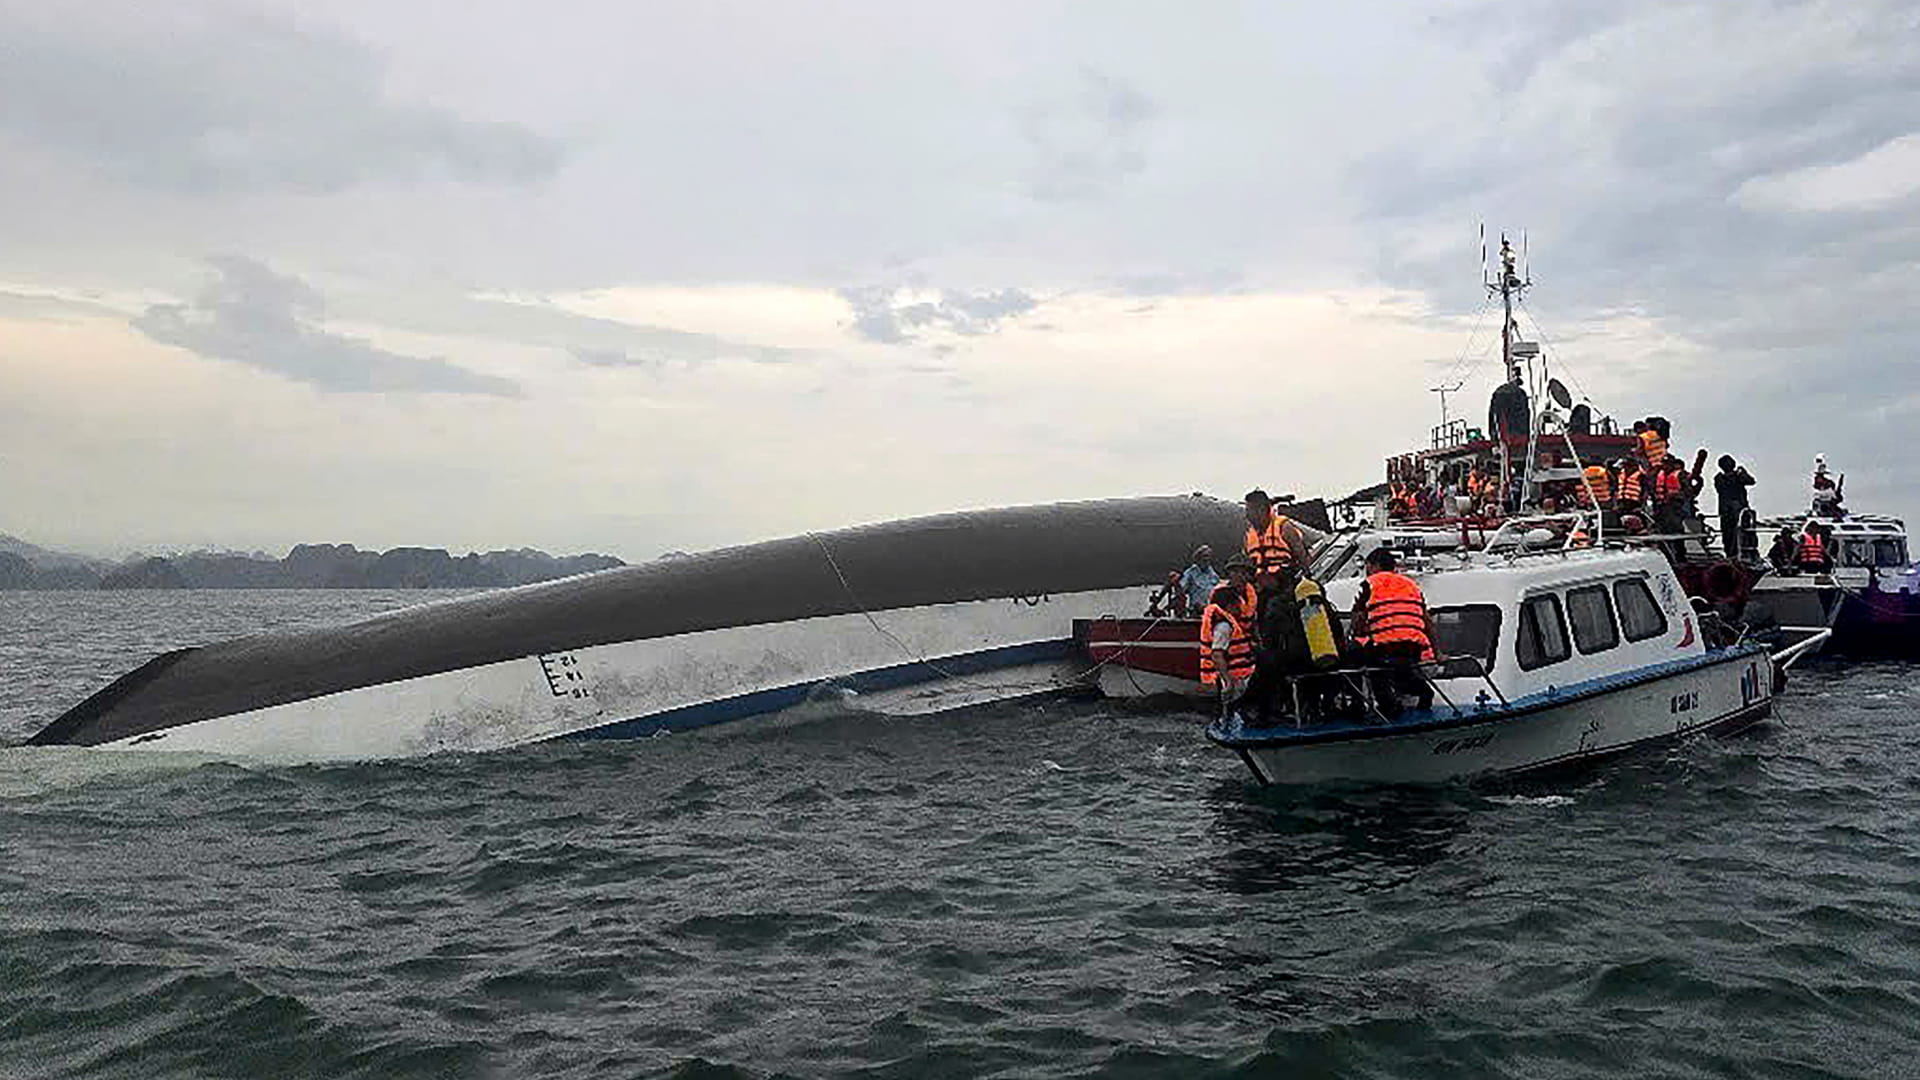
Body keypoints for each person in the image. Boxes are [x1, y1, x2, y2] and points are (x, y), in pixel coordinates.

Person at [1349, 548, 1434, 718]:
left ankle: (1362, 705)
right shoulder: (1411, 585)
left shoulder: (1369, 584)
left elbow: (1357, 621)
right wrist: (1437, 652)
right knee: (1401, 670)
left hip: (1385, 647)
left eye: (1368, 566)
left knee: (1356, 658)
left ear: (1374, 566)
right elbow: (1427, 621)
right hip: (1413, 647)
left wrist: (1361, 631)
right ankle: (1424, 693)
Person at [1199, 560, 1259, 712]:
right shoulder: (1222, 602)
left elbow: (1253, 621)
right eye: (1237, 572)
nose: (1241, 576)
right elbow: (1217, 653)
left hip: (1245, 649)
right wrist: (1227, 680)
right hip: (1229, 650)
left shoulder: (1252, 593)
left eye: (1244, 573)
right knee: (1231, 697)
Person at [1242, 489, 1303, 585]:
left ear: (1261, 509)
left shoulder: (1283, 527)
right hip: (1260, 585)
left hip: (1285, 582)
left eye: (1249, 511)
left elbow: (1301, 555)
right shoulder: (1249, 535)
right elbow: (1246, 563)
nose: (1247, 515)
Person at [1713, 456, 1756, 561]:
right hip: (1735, 510)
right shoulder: (1735, 477)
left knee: (1731, 535)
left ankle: (1735, 554)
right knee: (1737, 534)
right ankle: (1739, 555)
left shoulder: (1719, 478)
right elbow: (1751, 481)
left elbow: (1750, 481)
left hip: (1728, 511)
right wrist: (1742, 472)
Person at [1176, 545, 1220, 619]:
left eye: (1208, 556)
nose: (1206, 559)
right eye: (1204, 556)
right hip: (1195, 612)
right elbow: (1181, 589)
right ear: (1198, 558)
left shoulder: (1213, 575)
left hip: (1211, 612)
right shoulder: (1190, 572)